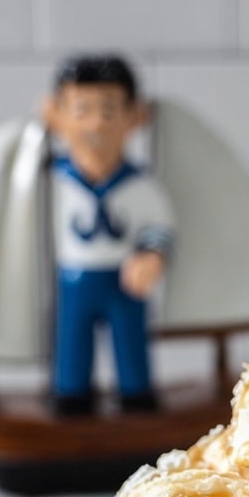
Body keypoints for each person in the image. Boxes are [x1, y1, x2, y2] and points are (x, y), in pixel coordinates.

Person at [43, 54, 175, 414]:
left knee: (130, 341)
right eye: (81, 110)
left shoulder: (140, 186)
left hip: (124, 278)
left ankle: (136, 398)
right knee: (71, 342)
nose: (96, 124)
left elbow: (158, 226)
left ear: (136, 116)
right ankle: (71, 398)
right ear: (54, 115)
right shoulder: (49, 182)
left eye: (109, 110)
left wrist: (151, 254)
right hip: (73, 278)